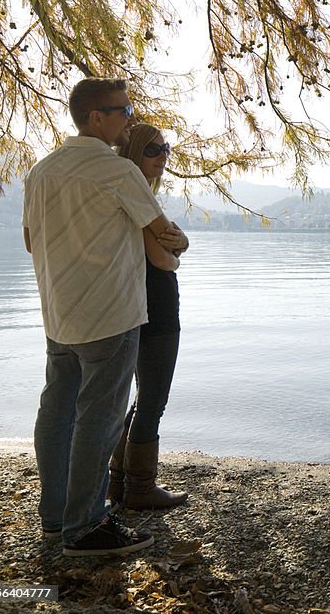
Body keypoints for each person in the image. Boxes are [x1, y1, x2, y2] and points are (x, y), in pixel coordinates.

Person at [22, 78, 186, 557]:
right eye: (124, 111)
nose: (130, 118)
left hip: (59, 315)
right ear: (96, 117)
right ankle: (87, 524)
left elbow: (32, 241)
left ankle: (55, 520)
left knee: (56, 415)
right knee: (101, 418)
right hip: (111, 314)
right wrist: (180, 245)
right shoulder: (117, 171)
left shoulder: (42, 170)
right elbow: (162, 236)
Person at [110, 124, 189, 509]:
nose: (162, 156)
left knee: (141, 397)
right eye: (153, 149)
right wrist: (179, 253)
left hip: (128, 305)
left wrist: (180, 242)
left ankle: (118, 482)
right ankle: (140, 490)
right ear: (134, 154)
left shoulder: (123, 195)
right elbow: (162, 259)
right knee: (153, 398)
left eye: (166, 148)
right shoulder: (138, 198)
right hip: (155, 309)